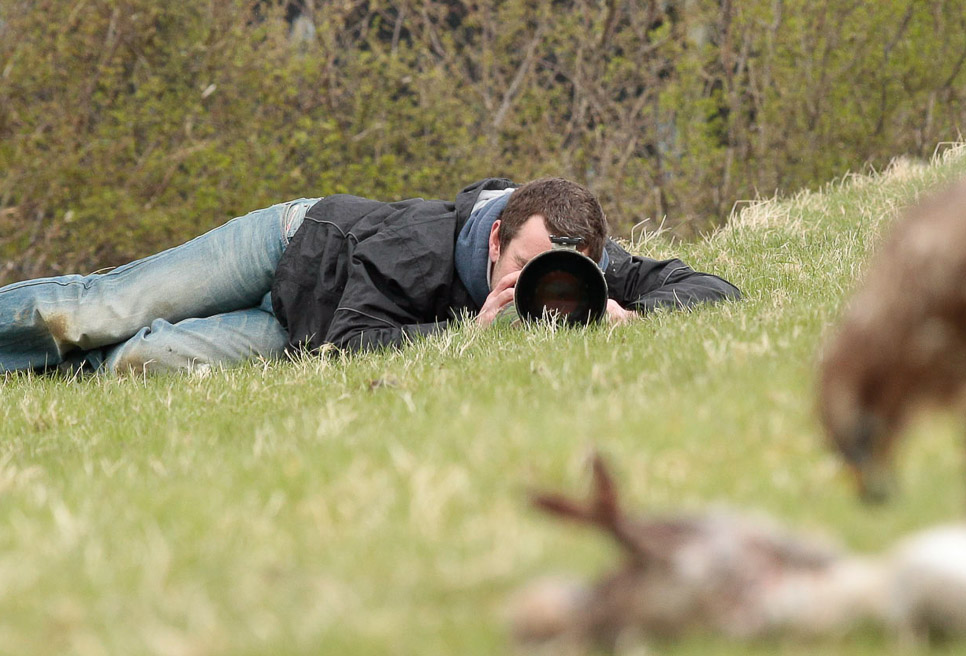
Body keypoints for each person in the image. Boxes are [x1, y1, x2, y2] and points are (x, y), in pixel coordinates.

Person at [0, 177, 741, 375]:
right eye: (523, 267)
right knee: (100, 310)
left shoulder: (581, 268)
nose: (537, 282)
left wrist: (621, 314)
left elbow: (717, 293)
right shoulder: (422, 247)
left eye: (559, 272)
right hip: (292, 248)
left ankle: (29, 381)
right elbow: (355, 336)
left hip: (303, 330)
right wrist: (467, 331)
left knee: (139, 360)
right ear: (494, 244)